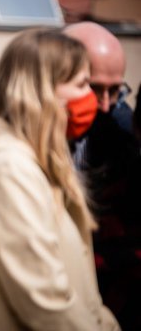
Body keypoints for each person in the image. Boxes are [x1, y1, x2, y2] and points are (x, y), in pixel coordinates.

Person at [0, 29, 119, 330]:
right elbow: (47, 304)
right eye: (82, 84)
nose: (92, 100)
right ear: (43, 89)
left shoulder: (36, 160)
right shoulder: (7, 172)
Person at [65, 22, 139, 329]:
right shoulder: (19, 140)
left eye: (116, 91)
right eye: (94, 88)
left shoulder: (119, 139)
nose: (106, 104)